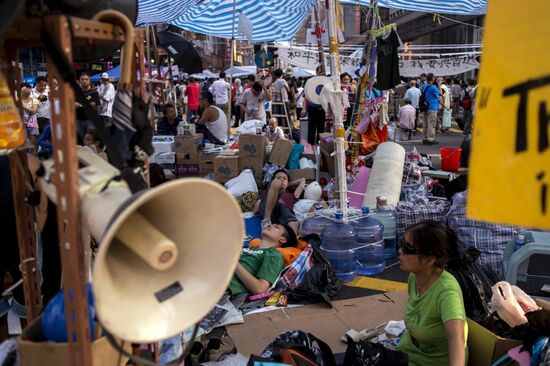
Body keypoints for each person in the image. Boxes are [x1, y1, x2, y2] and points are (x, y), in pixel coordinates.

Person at [397, 220, 467, 366]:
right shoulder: (414, 277)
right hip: (408, 352)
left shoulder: (446, 291)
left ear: (429, 259)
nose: (400, 251)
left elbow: (457, 339)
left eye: (407, 248)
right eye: (401, 243)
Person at [228, 223, 297, 295]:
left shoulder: (273, 255)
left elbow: (260, 289)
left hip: (224, 288)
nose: (269, 225)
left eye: (276, 227)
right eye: (271, 224)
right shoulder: (248, 249)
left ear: (282, 239)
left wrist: (234, 263)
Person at [253, 169, 305, 235]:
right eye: (278, 178)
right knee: (276, 184)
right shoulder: (267, 192)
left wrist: (287, 184)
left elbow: (302, 181)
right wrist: (277, 183)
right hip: (269, 213)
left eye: (284, 178)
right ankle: (266, 222)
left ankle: (294, 237)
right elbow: (255, 210)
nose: (281, 180)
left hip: (283, 218)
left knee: (290, 216)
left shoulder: (291, 195)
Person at [75, 72, 100, 141]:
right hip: (78, 120)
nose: (84, 81)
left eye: (86, 79)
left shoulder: (94, 92)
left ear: (89, 80)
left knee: (91, 140)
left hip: (90, 120)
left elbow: (92, 105)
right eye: (82, 79)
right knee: (81, 140)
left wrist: (79, 105)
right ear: (79, 81)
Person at [421, 73, 440, 145]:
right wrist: (438, 84)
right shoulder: (433, 87)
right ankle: (430, 139)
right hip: (432, 107)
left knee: (425, 122)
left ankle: (425, 138)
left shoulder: (424, 86)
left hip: (425, 106)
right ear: (432, 79)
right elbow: (440, 93)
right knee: (431, 123)